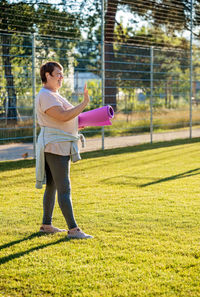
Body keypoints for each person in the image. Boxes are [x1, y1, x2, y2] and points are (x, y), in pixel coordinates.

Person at [35, 61, 93, 239]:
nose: (61, 77)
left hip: (58, 145)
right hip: (54, 146)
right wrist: (84, 103)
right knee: (64, 188)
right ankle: (73, 230)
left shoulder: (55, 94)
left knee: (52, 186)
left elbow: (69, 117)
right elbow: (63, 116)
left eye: (62, 73)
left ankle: (46, 225)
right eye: (58, 74)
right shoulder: (46, 95)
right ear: (47, 76)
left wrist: (78, 123)